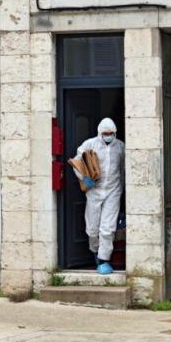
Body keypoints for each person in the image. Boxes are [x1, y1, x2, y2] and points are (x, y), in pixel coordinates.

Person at [73, 118, 125, 275]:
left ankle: (104, 260)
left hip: (113, 190)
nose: (108, 136)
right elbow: (76, 161)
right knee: (93, 227)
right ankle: (96, 252)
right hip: (94, 190)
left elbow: (123, 168)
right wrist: (83, 178)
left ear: (115, 133)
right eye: (105, 133)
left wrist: (121, 188)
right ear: (99, 133)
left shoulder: (120, 146)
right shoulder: (90, 144)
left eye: (111, 133)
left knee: (107, 228)